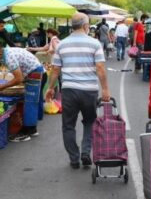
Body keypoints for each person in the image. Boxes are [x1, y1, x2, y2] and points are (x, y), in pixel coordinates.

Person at [45, 12, 110, 169]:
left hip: (69, 91)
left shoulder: (61, 45)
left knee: (68, 125)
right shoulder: (94, 44)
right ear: (85, 26)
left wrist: (50, 88)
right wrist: (105, 90)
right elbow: (100, 68)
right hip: (89, 91)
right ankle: (86, 152)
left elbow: (55, 70)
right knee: (90, 122)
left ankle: (74, 158)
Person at [0, 44, 44, 142]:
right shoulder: (7, 52)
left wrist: (2, 87)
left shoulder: (8, 57)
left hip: (34, 72)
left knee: (30, 103)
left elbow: (18, 79)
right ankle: (32, 129)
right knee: (32, 102)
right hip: (35, 71)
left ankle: (26, 132)